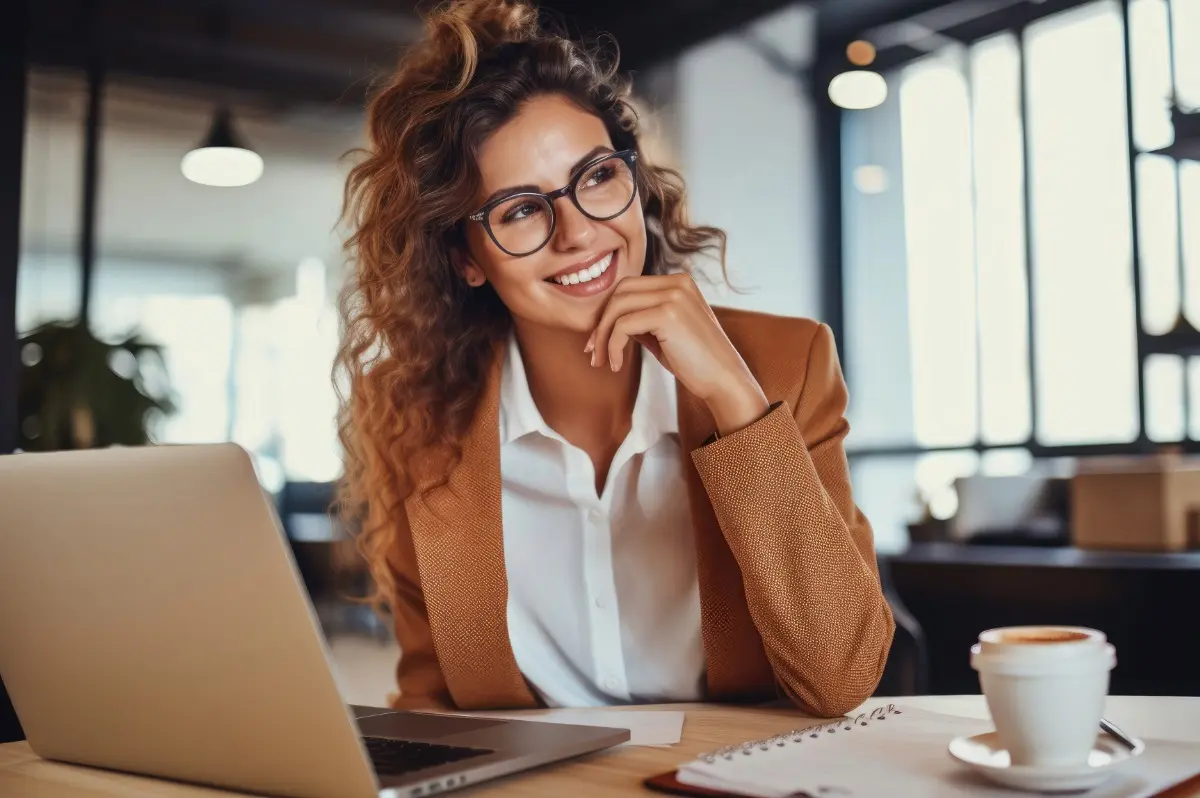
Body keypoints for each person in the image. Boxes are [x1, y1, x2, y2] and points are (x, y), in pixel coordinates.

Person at [335, 0, 894, 717]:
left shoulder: (788, 362)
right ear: (464, 258)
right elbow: (434, 696)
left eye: (597, 176)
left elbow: (843, 675)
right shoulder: (417, 417)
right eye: (519, 210)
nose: (578, 234)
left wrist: (734, 400)